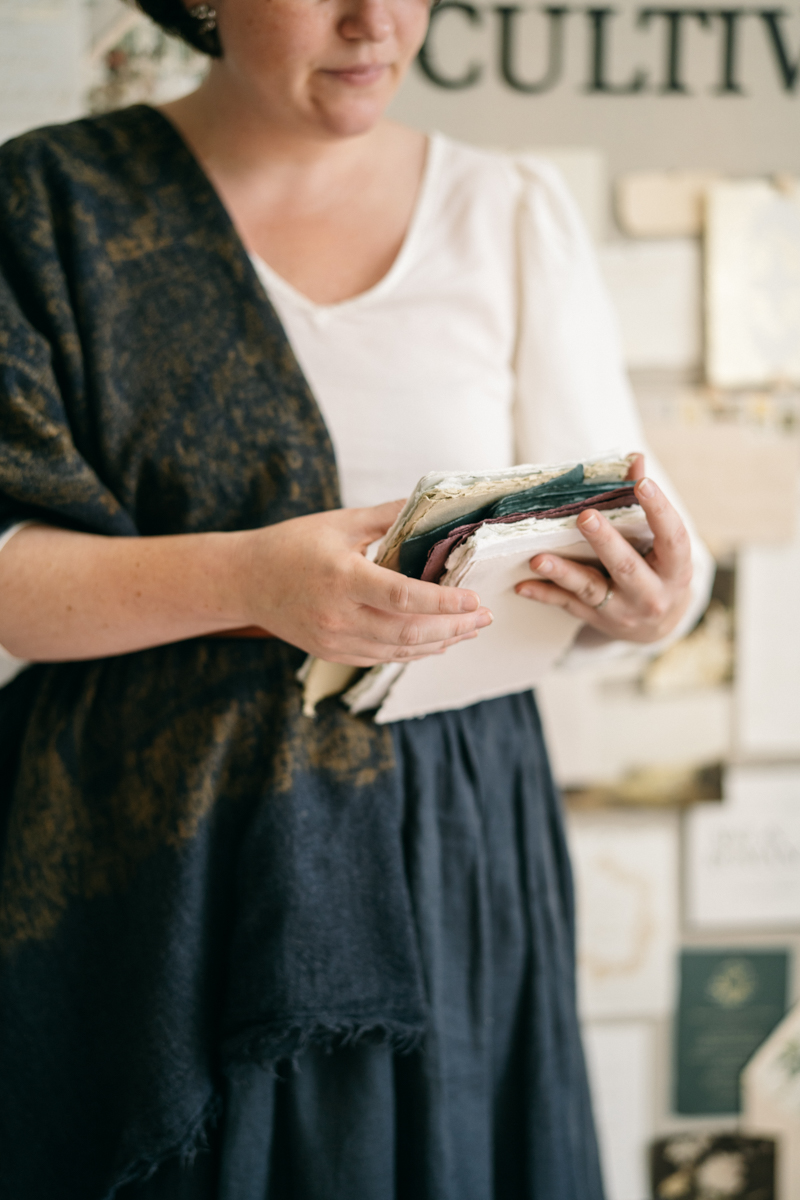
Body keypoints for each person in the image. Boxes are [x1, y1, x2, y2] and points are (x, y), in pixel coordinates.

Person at [0, 0, 712, 1196]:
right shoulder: (51, 204)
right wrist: (248, 580)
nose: (374, 22)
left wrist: (649, 608)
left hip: (445, 833)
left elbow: (607, 533)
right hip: (153, 851)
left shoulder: (507, 212)